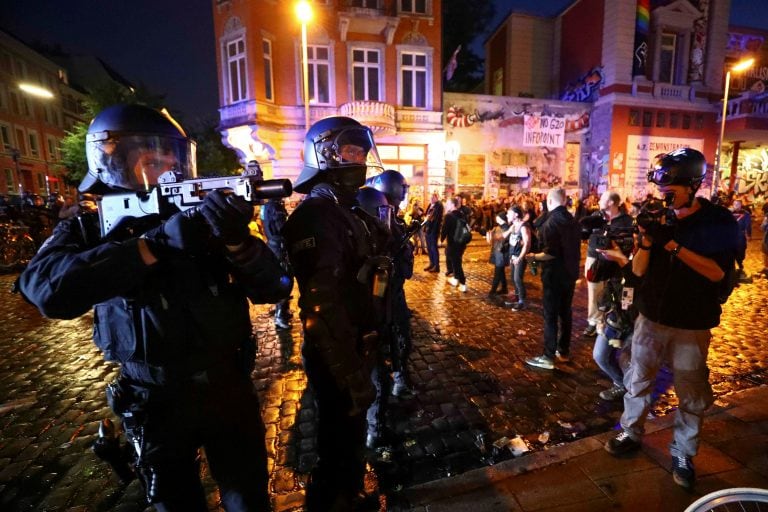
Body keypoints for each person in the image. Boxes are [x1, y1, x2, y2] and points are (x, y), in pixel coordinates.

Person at [17, 104, 291, 511]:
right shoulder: (89, 228)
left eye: (171, 160)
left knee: (248, 499)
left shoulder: (200, 222)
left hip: (227, 388)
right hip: (154, 399)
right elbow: (44, 289)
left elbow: (274, 287)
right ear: (113, 164)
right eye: (151, 160)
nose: (166, 171)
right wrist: (151, 246)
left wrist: (238, 241)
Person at [603, 148, 740, 490]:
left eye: (670, 187)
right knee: (637, 379)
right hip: (651, 318)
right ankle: (631, 432)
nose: (663, 194)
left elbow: (716, 272)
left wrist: (673, 245)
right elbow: (637, 273)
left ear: (693, 184)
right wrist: (648, 239)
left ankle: (683, 452)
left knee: (691, 392)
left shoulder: (718, 222)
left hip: (692, 324)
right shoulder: (661, 218)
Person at [282, 116, 382, 510]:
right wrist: (349, 370)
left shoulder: (345, 210)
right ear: (324, 155)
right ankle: (331, 500)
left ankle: (350, 492)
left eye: (361, 150)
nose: (358, 158)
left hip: (355, 339)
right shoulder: (316, 215)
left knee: (351, 431)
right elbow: (320, 305)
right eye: (349, 150)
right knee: (337, 432)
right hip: (335, 347)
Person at [368, 170, 416, 401]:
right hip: (385, 290)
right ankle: (396, 381)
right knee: (396, 338)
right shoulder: (382, 219)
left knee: (393, 338)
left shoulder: (385, 216)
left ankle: (397, 379)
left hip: (387, 290)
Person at [524, 188, 581, 370]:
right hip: (570, 274)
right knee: (565, 312)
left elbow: (550, 254)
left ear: (549, 201)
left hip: (554, 275)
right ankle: (563, 351)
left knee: (550, 315)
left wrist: (533, 257)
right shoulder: (573, 220)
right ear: (564, 201)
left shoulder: (550, 223)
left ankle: (548, 356)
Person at [581, 191, 635, 337]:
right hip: (595, 257)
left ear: (611, 202)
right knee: (594, 290)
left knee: (615, 290)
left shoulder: (626, 221)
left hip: (616, 259)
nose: (599, 201)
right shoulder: (595, 217)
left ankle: (611, 320)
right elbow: (584, 235)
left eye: (603, 199)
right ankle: (594, 320)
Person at [261, 196, 293, 329]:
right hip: (279, 246)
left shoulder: (265, 206)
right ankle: (280, 316)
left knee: (281, 278)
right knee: (285, 279)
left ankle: (283, 311)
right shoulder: (275, 207)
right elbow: (283, 229)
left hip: (272, 245)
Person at [504, 205, 533, 310]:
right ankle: (516, 297)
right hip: (513, 256)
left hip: (520, 257)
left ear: (516, 214)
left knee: (517, 278)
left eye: (509, 213)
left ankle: (522, 301)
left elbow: (527, 244)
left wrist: (520, 258)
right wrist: (491, 235)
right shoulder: (513, 226)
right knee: (513, 278)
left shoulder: (524, 227)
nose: (507, 215)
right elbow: (503, 235)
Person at [441, 196, 471, 292]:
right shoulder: (461, 214)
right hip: (461, 242)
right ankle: (456, 278)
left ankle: (462, 283)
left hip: (453, 242)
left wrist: (441, 239)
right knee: (455, 260)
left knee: (456, 263)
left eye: (448, 203)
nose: (446, 205)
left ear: (453, 205)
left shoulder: (448, 216)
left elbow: (444, 230)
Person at [487, 211, 509, 296]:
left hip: (501, 253)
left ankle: (493, 290)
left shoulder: (506, 228)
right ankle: (504, 288)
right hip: (497, 252)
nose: (496, 218)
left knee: (498, 272)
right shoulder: (498, 227)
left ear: (501, 218)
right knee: (501, 271)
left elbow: (503, 240)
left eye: (498, 217)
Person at [423, 192, 444, 273]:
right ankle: (432, 263)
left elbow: (435, 218)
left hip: (433, 230)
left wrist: (428, 219)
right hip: (428, 229)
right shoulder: (430, 205)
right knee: (429, 247)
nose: (431, 199)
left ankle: (436, 266)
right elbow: (427, 215)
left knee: (433, 248)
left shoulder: (438, 205)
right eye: (431, 197)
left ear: (437, 198)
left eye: (433, 197)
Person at [731, 199, 751, 280]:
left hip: (740, 235)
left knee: (741, 250)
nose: (736, 206)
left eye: (738, 204)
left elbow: (748, 225)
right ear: (733, 205)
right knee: (730, 251)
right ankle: (731, 268)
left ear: (741, 205)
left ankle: (740, 265)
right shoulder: (729, 213)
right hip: (730, 236)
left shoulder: (746, 214)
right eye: (735, 204)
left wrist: (748, 235)